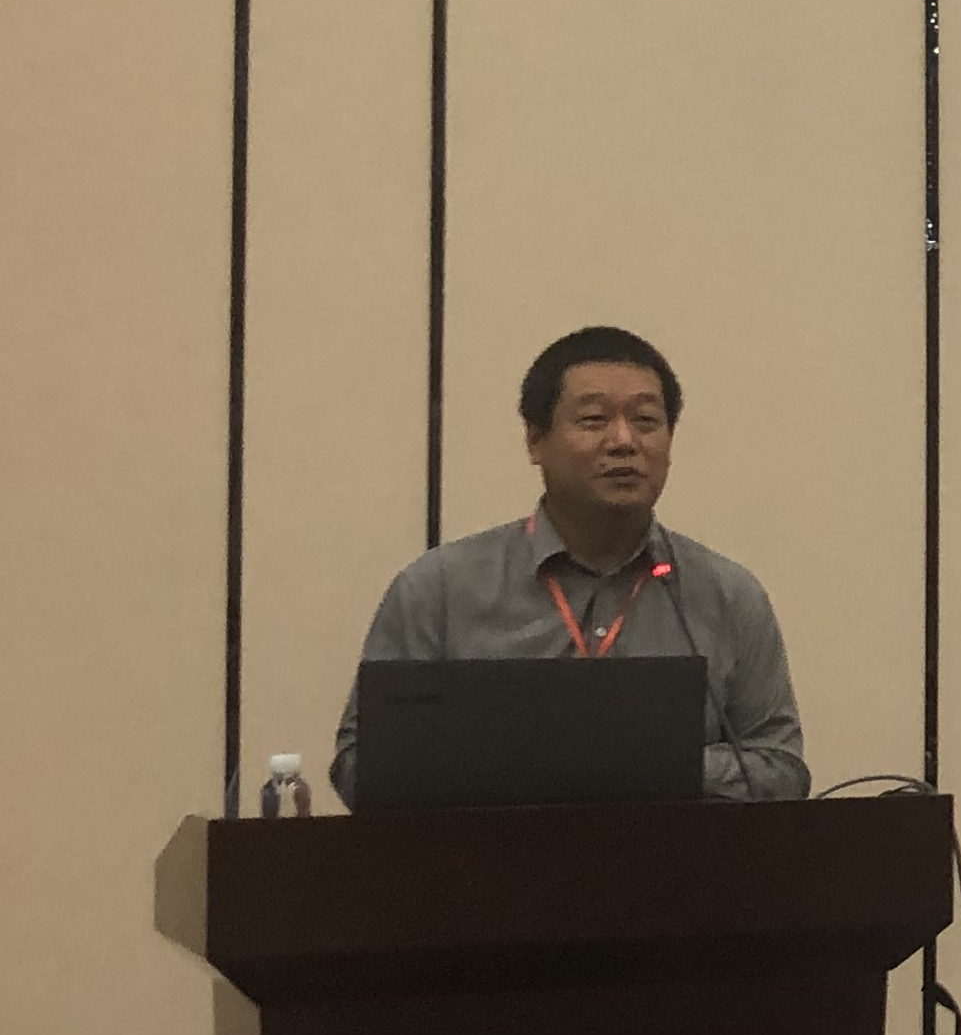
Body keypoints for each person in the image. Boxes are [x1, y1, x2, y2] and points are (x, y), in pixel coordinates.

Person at [327, 325, 808, 806]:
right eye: (594, 420)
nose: (624, 441)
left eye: (645, 421)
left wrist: (637, 760)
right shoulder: (440, 590)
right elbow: (360, 766)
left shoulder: (726, 594)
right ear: (535, 441)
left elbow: (781, 770)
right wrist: (546, 756)